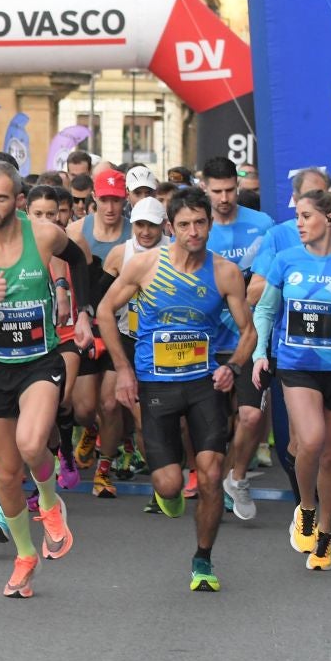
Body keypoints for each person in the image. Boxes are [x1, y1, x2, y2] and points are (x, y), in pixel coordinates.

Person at [0, 161, 93, 598]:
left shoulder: (42, 234)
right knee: (5, 474)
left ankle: (49, 502)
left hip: (39, 361)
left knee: (31, 445)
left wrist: (82, 312)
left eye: (0, 198)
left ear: (19, 201)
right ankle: (26, 556)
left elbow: (79, 259)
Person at [95, 188, 254, 592]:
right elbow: (104, 313)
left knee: (211, 475)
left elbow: (249, 331)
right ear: (171, 228)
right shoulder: (146, 266)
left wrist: (233, 367)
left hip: (203, 383)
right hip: (155, 384)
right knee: (167, 483)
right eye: (184, 224)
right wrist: (123, 369)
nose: (193, 231)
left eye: (200, 222)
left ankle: (203, 559)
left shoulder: (224, 273)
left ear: (210, 224)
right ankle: (169, 493)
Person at [251, 190, 331, 569]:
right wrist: (260, 353)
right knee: (311, 440)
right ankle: (307, 510)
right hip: (297, 363)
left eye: (305, 216)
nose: (298, 223)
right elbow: (265, 309)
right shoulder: (286, 260)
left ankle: (326, 536)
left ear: (329, 219)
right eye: (296, 216)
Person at [202, 155, 276, 519]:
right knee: (214, 428)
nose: (225, 197)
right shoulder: (197, 228)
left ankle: (239, 477)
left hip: (251, 340)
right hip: (207, 343)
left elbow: (273, 279)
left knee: (249, 416)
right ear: (205, 188)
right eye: (216, 191)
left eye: (230, 189)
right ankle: (212, 482)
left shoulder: (263, 225)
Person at [69, 167, 132, 496]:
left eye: (117, 200)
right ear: (94, 198)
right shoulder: (78, 231)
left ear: (125, 201)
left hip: (121, 327)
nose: (110, 207)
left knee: (110, 404)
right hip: (86, 325)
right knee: (83, 408)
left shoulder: (136, 234)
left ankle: (104, 469)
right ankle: (90, 431)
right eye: (105, 200)